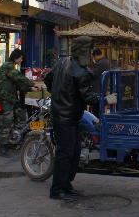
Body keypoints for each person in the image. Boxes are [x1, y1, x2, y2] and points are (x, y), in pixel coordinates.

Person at [43, 36, 117, 201]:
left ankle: (66, 185)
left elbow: (47, 79)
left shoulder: (62, 62)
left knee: (74, 152)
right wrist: (105, 99)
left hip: (65, 116)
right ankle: (57, 190)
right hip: (67, 118)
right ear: (85, 51)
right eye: (90, 51)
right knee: (66, 153)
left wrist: (57, 94)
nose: (91, 54)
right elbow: (88, 97)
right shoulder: (80, 71)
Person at [0, 49, 41, 154]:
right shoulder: (8, 67)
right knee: (8, 119)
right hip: (6, 97)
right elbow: (19, 78)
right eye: (20, 58)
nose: (21, 60)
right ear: (16, 58)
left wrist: (31, 89)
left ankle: (14, 139)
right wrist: (32, 84)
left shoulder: (11, 67)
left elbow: (18, 83)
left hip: (11, 97)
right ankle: (3, 145)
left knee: (21, 114)